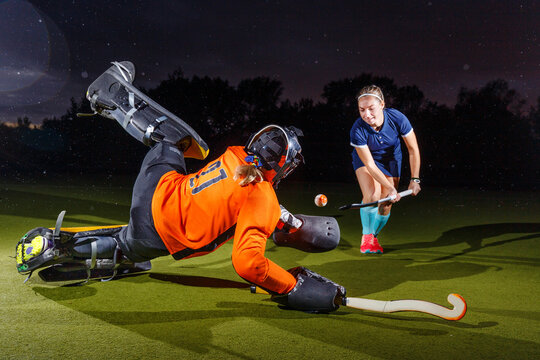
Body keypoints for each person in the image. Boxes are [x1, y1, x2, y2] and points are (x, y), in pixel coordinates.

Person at [15, 61, 344, 313]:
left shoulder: (236, 155)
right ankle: (58, 248)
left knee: (171, 141)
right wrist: (289, 287)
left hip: (156, 183)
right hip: (157, 231)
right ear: (284, 167)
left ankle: (117, 97)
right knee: (129, 246)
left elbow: (247, 197)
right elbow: (248, 264)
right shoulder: (263, 200)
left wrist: (291, 224)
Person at [350, 85, 421, 254]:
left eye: (371, 108)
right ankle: (366, 239)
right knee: (373, 194)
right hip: (366, 160)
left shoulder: (398, 118)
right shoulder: (357, 129)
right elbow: (370, 165)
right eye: (362, 110)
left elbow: (413, 149)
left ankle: (373, 236)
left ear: (382, 104)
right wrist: (389, 188)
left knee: (386, 203)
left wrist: (415, 179)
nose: (367, 114)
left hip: (391, 160)